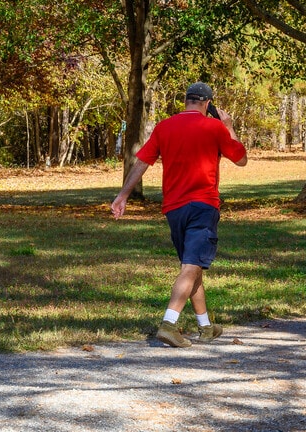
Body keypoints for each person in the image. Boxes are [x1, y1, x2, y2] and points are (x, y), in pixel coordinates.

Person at [111, 82, 247, 348]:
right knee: (191, 266)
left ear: (186, 101)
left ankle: (206, 327)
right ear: (208, 105)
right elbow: (241, 159)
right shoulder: (215, 127)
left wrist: (123, 195)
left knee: (192, 266)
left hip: (173, 208)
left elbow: (142, 163)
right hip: (203, 205)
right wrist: (229, 126)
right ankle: (168, 324)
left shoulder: (164, 127)